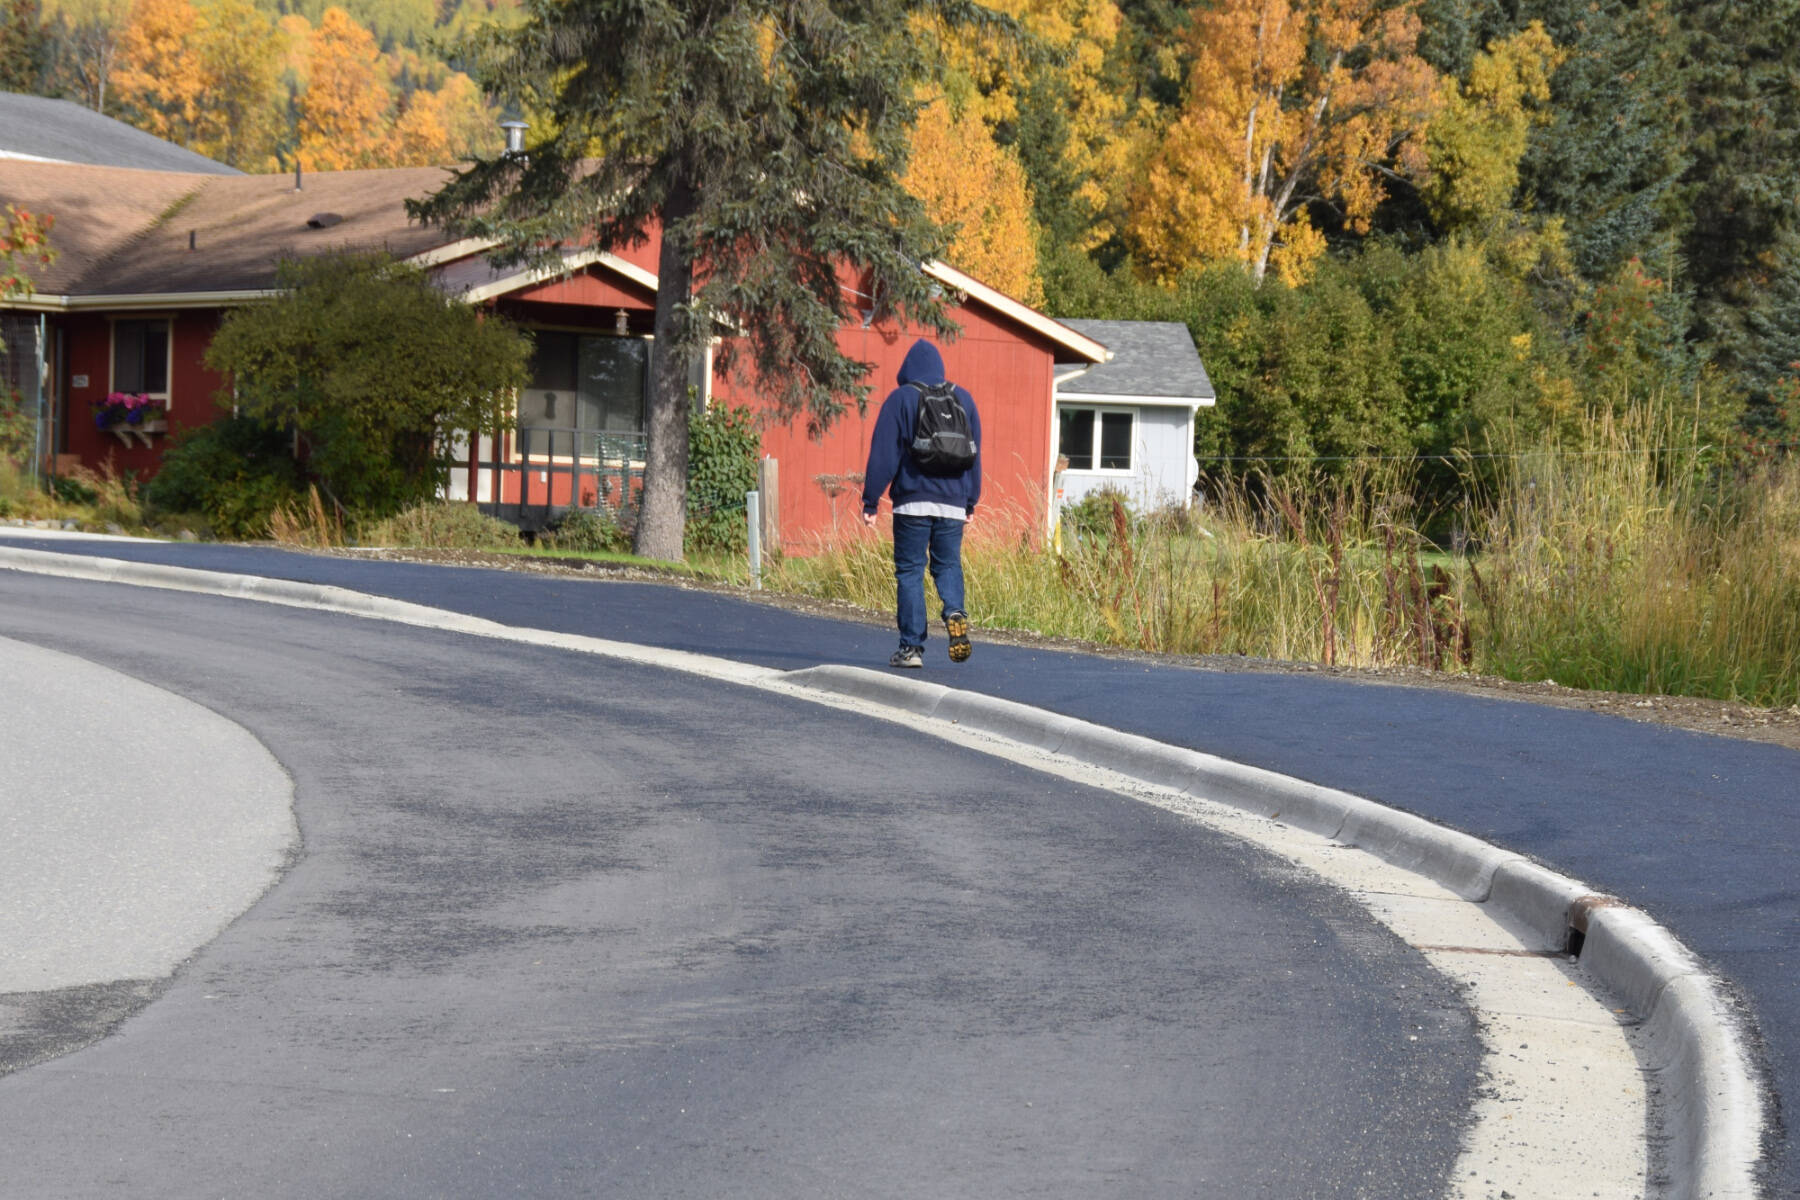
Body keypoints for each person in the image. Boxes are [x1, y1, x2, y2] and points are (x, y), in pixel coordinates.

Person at [861, 338, 980, 669]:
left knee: (911, 570)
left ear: (908, 369)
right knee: (947, 565)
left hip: (912, 503)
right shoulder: (964, 399)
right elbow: (975, 454)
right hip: (954, 504)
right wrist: (970, 501)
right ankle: (954, 610)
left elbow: (883, 454)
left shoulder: (901, 399)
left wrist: (871, 501)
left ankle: (911, 649)